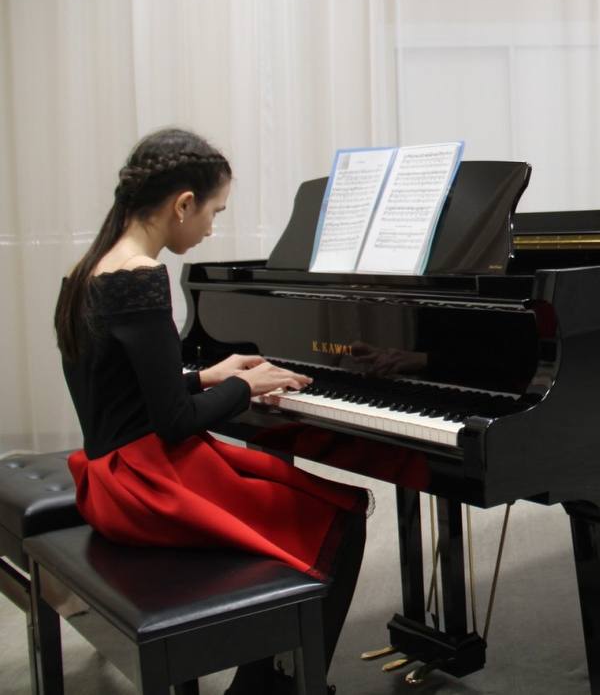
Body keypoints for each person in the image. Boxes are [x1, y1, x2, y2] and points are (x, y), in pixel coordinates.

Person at [54, 127, 369, 694]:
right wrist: (246, 387)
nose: (210, 228)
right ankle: (273, 688)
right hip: (145, 486)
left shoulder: (91, 270)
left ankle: (271, 675)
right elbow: (175, 421)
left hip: (108, 475)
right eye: (213, 212)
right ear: (182, 205)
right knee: (340, 516)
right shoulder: (140, 278)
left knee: (297, 501)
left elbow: (120, 389)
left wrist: (207, 375)